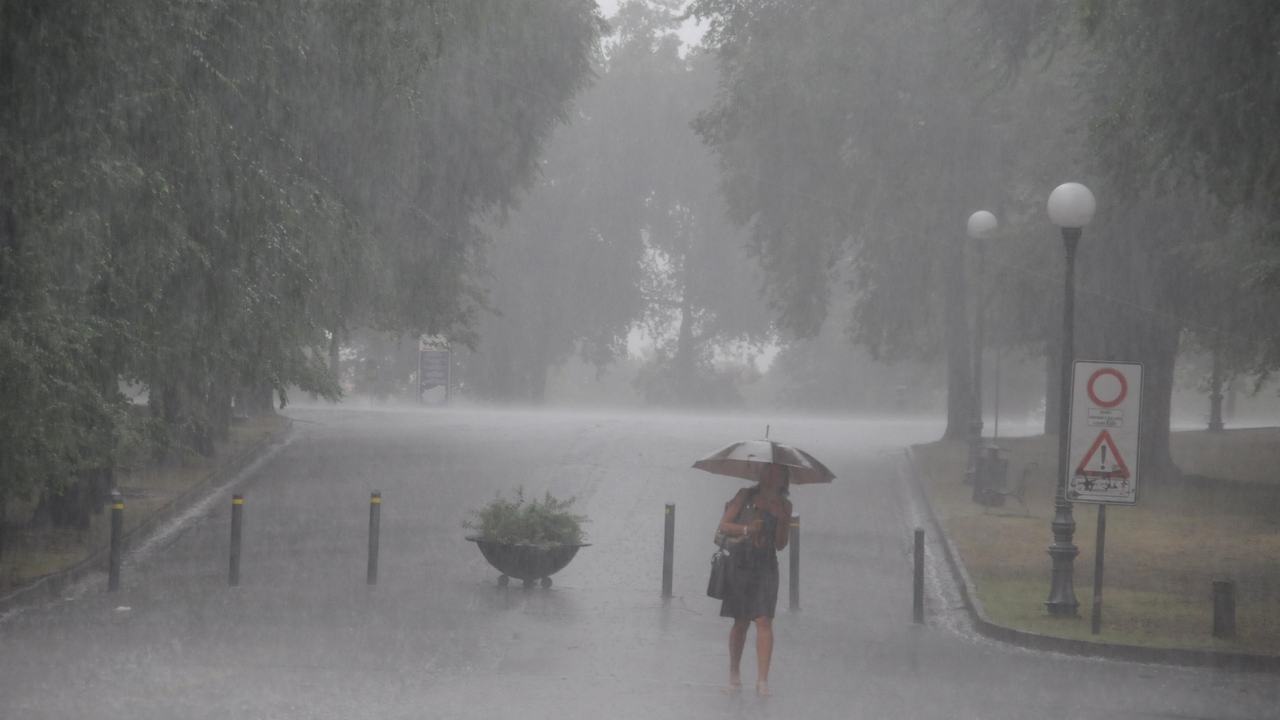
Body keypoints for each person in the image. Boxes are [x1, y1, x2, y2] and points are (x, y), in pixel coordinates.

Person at [718, 463, 792, 696]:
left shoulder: (785, 505)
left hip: (767, 566)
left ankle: (762, 681)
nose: (773, 476)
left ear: (784, 479)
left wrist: (781, 519)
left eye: (779, 473)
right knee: (741, 621)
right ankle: (734, 672)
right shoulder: (745, 495)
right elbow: (723, 526)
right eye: (769, 471)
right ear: (761, 474)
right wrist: (748, 529)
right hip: (741, 563)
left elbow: (780, 544)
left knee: (764, 621)